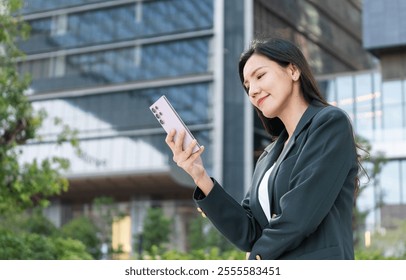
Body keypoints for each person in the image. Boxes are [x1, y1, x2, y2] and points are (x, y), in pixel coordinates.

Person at [165, 38, 359, 260]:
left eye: (260, 76)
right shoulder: (268, 156)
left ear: (293, 70)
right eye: (247, 86)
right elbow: (249, 232)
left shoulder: (329, 123)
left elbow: (299, 216)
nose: (253, 91)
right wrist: (199, 175)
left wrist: (255, 261)